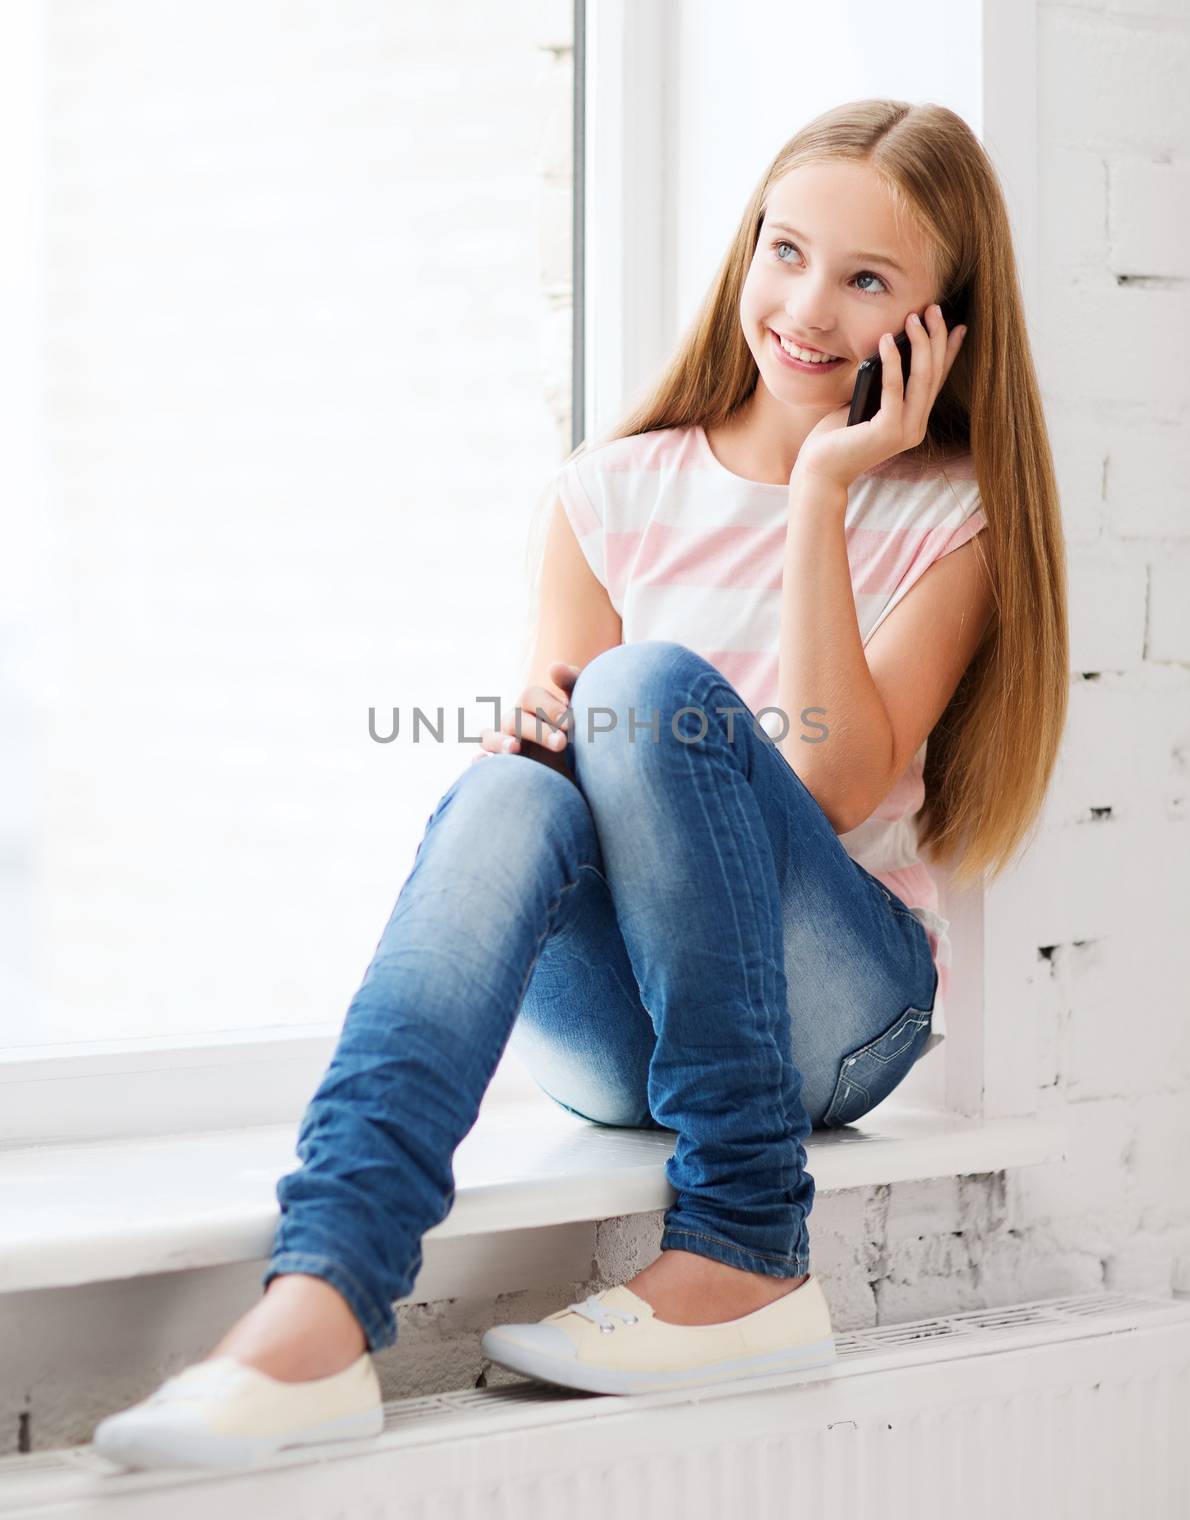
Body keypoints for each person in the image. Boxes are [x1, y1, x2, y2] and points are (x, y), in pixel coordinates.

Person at [92, 97, 1069, 1469]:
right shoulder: (605, 491)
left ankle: (743, 1247)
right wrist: (547, 737)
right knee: (513, 790)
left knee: (647, 687)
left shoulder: (942, 509)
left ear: (938, 325)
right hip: (634, 1036)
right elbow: (571, 798)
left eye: (865, 280)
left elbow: (834, 784)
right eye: (782, 252)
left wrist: (818, 494)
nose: (804, 306)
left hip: (837, 1017)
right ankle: (320, 1295)